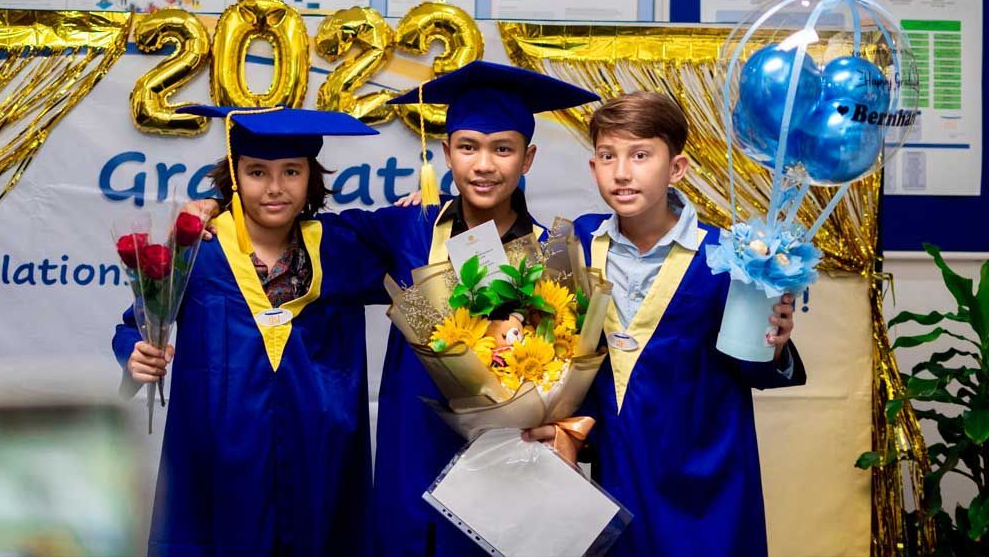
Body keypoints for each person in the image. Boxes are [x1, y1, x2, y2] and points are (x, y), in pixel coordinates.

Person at [187, 62, 599, 556]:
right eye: (468, 147)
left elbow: (580, 371)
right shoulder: (407, 229)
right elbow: (285, 232)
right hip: (413, 458)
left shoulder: (554, 256)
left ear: (527, 159)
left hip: (510, 472)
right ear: (446, 153)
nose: (484, 165)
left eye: (503, 149)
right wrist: (215, 208)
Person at [524, 91, 806, 556]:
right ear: (593, 167)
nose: (621, 172)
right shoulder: (575, 242)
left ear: (677, 168)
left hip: (706, 481)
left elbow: (752, 366)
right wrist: (432, 206)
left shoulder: (728, 257)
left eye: (640, 155)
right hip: (617, 470)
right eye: (607, 156)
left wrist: (775, 341)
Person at [112, 106, 386, 556]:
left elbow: (427, 245)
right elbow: (135, 324)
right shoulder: (197, 249)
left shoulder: (339, 246)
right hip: (220, 466)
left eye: (291, 171)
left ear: (310, 178)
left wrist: (422, 204)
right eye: (257, 172)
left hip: (319, 463)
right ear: (235, 176)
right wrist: (135, 353)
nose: (275, 187)